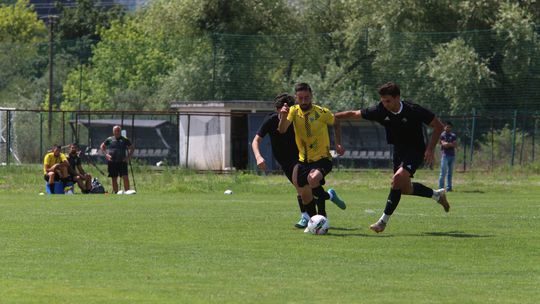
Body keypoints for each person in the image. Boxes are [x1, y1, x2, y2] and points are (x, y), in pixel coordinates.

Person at [334, 82, 450, 233]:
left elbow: (438, 126)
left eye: (388, 100)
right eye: (383, 100)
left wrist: (430, 149)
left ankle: (382, 222)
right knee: (405, 189)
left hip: (416, 149)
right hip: (399, 150)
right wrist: (335, 116)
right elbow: (356, 114)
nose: (385, 104)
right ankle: (437, 195)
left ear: (397, 98)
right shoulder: (380, 110)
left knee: (397, 178)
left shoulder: (413, 110)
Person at [252, 93, 344, 229]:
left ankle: (307, 217)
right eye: (279, 110)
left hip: (299, 158)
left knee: (301, 186)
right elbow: (256, 140)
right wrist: (258, 156)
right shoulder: (271, 120)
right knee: (305, 190)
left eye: (286, 110)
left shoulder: (296, 119)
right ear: (276, 109)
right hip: (284, 162)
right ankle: (328, 196)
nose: (282, 113)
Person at [277, 83, 346, 229]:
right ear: (296, 97)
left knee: (313, 179)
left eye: (306, 97)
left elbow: (336, 122)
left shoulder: (322, 112)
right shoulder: (293, 112)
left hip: (322, 158)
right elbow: (282, 130)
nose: (303, 101)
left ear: (311, 96)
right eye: (300, 98)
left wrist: (338, 144)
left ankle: (324, 213)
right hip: (303, 160)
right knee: (305, 195)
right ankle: (315, 221)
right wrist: (283, 116)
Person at [100, 125, 134, 194]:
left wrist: (128, 157)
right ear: (113, 131)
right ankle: (116, 193)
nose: (117, 132)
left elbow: (132, 148)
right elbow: (102, 146)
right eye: (115, 130)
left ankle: (127, 192)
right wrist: (106, 154)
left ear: (120, 131)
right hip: (112, 162)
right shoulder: (110, 139)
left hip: (122, 161)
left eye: (118, 130)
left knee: (125, 177)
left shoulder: (124, 139)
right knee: (114, 178)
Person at [439, 122, 457, 192]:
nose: (448, 128)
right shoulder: (442, 135)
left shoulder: (453, 135)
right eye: (447, 127)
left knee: (450, 173)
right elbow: (443, 144)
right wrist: (450, 144)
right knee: (443, 172)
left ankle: (449, 188)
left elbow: (455, 145)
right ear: (444, 127)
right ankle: (441, 188)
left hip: (452, 155)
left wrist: (448, 144)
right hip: (445, 155)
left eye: (449, 127)